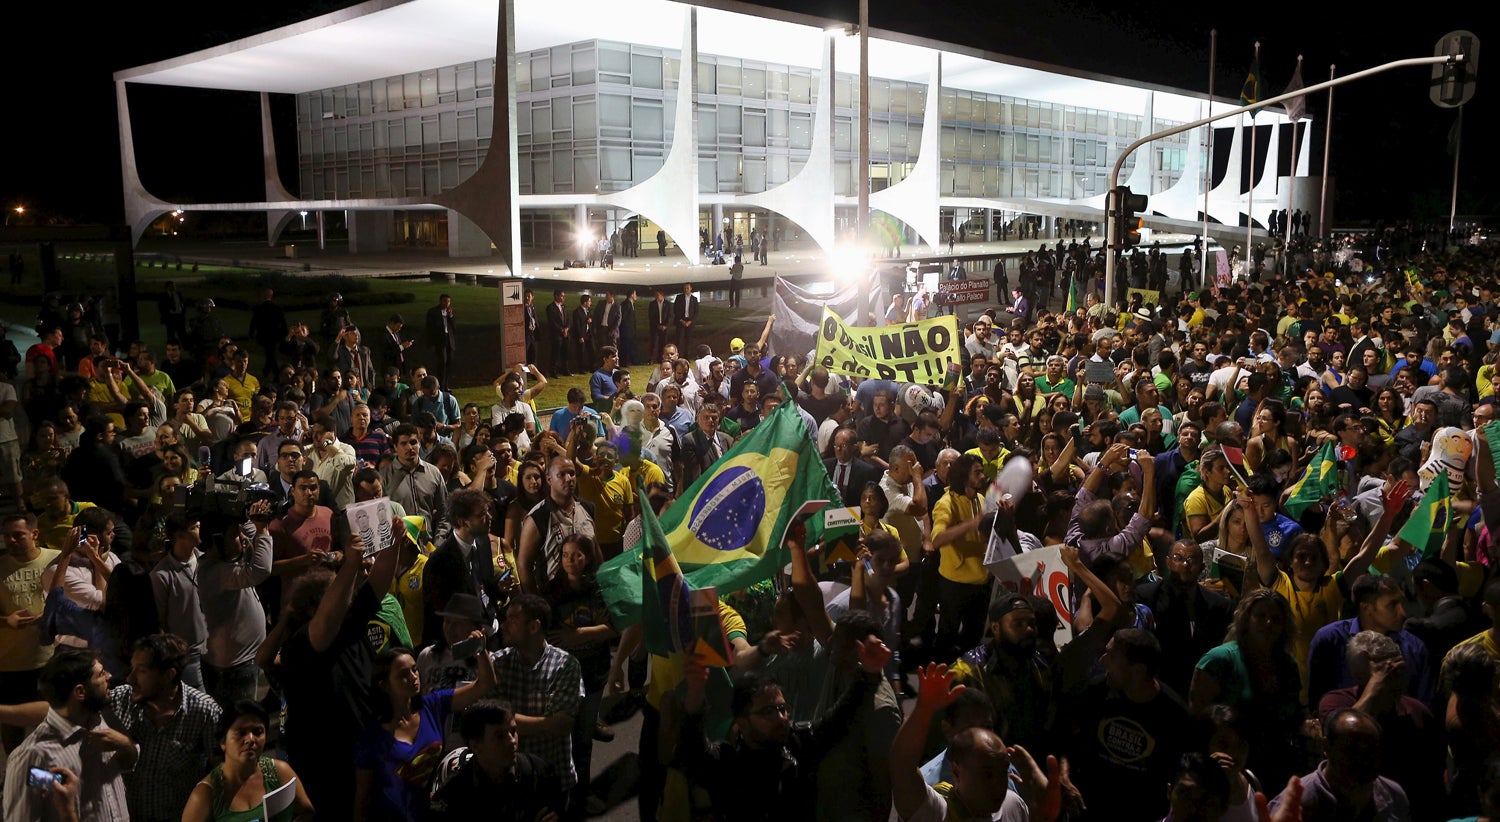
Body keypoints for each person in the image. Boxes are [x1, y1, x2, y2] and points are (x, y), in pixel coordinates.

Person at [353, 642, 495, 821]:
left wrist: (480, 649)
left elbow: (485, 684)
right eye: (404, 674)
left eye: (415, 669)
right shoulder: (372, 739)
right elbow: (363, 799)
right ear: (384, 685)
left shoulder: (434, 705)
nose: (414, 677)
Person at [2, 648, 134, 822]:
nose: (109, 676)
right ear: (80, 692)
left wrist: (126, 745)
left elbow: (130, 761)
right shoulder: (33, 758)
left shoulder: (98, 720)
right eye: (101, 674)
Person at [890, 663, 1032, 822]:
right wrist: (924, 708)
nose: (998, 783)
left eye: (987, 727)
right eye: (987, 774)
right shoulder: (936, 809)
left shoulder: (1014, 805)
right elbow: (902, 766)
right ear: (956, 773)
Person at [488, 594, 584, 804]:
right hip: (510, 779)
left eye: (513, 619)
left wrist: (505, 723)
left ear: (534, 627)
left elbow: (560, 725)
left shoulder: (565, 665)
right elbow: (488, 717)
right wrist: (543, 723)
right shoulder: (498, 662)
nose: (504, 625)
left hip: (552, 778)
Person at [426, 699, 566, 822]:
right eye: (499, 736)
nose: (512, 741)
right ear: (475, 746)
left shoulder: (539, 773)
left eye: (513, 731)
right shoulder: (454, 795)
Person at [181, 700, 315, 822]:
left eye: (258, 732)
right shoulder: (205, 795)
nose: (250, 739)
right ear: (223, 742)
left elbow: (307, 812)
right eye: (241, 732)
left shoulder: (279, 772)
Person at [1269, 708, 1412, 821]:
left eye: (1371, 749)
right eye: (1351, 750)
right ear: (1326, 747)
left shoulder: (1392, 794)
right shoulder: (1296, 804)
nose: (1362, 759)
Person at [425, 294, 457, 388]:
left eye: (448, 302)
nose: (447, 304)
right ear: (440, 301)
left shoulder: (450, 312)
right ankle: (440, 384)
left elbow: (454, 327)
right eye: (445, 301)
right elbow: (430, 327)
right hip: (439, 341)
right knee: (442, 362)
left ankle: (446, 384)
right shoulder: (433, 312)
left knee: (449, 362)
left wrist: (450, 317)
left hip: (449, 340)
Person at [675, 283, 699, 349]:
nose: (686, 290)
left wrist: (690, 321)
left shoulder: (694, 299)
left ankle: (687, 356)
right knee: (679, 340)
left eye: (687, 288)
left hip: (690, 322)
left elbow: (696, 312)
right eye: (685, 288)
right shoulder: (679, 298)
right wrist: (681, 320)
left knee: (688, 340)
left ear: (691, 288)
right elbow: (676, 310)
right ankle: (678, 356)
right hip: (681, 321)